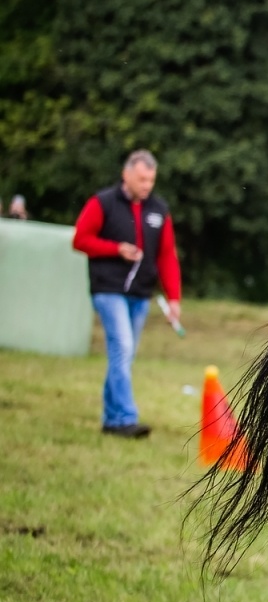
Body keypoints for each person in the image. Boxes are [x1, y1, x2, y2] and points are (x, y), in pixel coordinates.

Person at [71, 150, 182, 438]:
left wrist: (174, 299)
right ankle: (125, 418)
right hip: (108, 289)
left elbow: (167, 255)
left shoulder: (159, 209)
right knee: (122, 346)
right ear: (127, 175)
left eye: (151, 180)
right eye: (142, 179)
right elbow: (80, 239)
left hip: (141, 293)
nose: (147, 186)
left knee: (124, 355)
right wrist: (115, 249)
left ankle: (111, 420)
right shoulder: (103, 202)